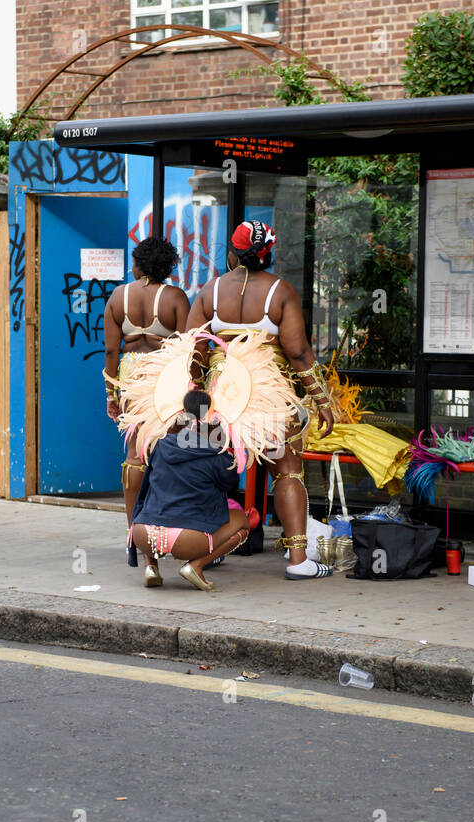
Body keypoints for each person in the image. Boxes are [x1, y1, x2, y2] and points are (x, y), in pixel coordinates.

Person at [185, 220, 336, 581]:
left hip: (219, 399)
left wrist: (193, 392)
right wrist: (322, 399)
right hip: (270, 396)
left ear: (233, 253)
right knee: (287, 471)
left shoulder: (210, 291)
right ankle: (298, 559)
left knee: (212, 471)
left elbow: (191, 349)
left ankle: (210, 548)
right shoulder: (280, 291)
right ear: (268, 255)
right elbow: (298, 352)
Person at [103, 236, 188, 525]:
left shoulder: (117, 297)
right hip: (164, 377)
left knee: (134, 453)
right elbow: (187, 349)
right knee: (170, 446)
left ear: (139, 264)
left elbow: (111, 350)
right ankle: (167, 523)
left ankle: (133, 527)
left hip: (131, 376)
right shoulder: (175, 297)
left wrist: (111, 395)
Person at [129, 390, 250, 591]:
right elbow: (231, 483)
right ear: (213, 416)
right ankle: (195, 566)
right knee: (242, 522)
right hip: (185, 539)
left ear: (183, 413)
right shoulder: (217, 455)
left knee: (151, 504)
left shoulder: (160, 445)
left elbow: (145, 490)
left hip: (144, 535)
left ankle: (151, 566)